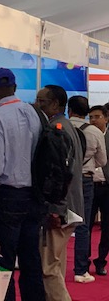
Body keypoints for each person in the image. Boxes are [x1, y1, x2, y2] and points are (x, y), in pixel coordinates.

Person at [0, 68, 45, 301]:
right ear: (15, 88)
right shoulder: (34, 113)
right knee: (31, 261)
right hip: (34, 196)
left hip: (7, 196)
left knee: (0, 261)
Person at [35, 85, 84, 301]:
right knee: (56, 265)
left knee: (48, 268)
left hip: (60, 208)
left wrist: (55, 209)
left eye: (42, 101)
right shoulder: (66, 127)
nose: (37, 105)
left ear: (55, 104)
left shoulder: (56, 130)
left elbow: (58, 173)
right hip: (69, 206)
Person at [68, 96, 107, 283]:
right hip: (85, 179)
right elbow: (102, 161)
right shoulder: (94, 132)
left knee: (55, 224)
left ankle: (51, 266)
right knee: (83, 225)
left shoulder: (61, 126)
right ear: (86, 112)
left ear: (69, 110)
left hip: (62, 179)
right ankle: (81, 269)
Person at [89, 104, 109, 276]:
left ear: (106, 118)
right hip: (89, 185)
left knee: (107, 227)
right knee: (85, 226)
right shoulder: (85, 134)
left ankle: (101, 261)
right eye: (91, 117)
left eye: (97, 117)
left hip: (107, 187)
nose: (94, 120)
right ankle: (83, 261)